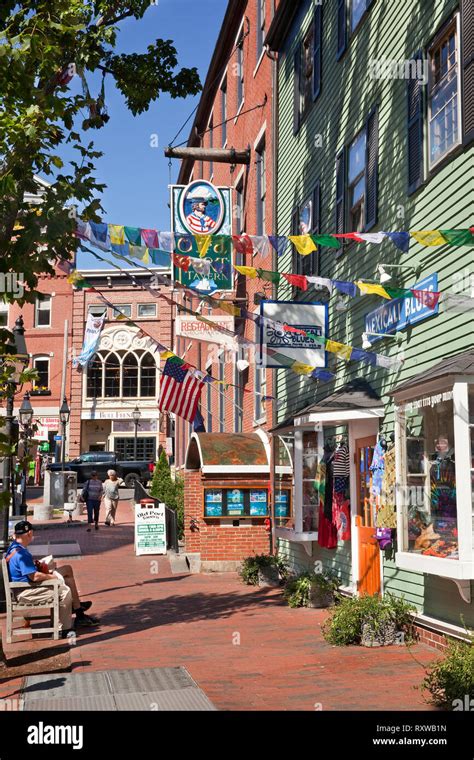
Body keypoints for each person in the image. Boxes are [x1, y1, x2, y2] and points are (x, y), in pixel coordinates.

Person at [4, 520, 95, 637]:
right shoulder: (22, 554)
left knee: (67, 571)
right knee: (65, 591)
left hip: (22, 587)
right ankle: (64, 629)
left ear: (15, 535)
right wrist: (51, 577)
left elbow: (26, 571)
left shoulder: (14, 548)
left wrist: (40, 566)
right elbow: (34, 577)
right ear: (30, 533)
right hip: (25, 591)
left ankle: (77, 610)